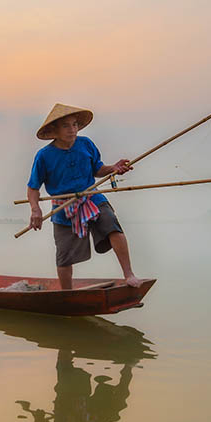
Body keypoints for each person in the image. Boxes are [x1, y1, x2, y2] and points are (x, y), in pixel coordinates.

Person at [27, 103, 142, 289]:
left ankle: (129, 274)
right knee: (63, 256)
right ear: (54, 130)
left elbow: (98, 169)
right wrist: (35, 210)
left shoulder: (86, 144)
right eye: (66, 126)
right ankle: (67, 294)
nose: (72, 130)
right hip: (64, 206)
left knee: (111, 224)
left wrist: (113, 168)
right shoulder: (44, 156)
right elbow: (33, 188)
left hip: (91, 196)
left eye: (74, 125)